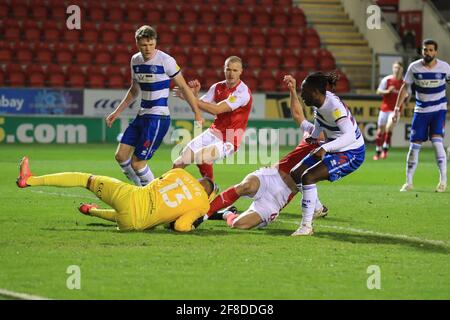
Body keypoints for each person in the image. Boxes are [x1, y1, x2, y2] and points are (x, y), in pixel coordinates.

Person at [195, 75, 330, 230]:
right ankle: (203, 215)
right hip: (271, 176)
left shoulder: (331, 147)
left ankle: (226, 214)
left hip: (281, 195)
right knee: (246, 186)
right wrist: (292, 90)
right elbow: (298, 115)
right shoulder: (311, 133)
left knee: (239, 225)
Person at [105, 25, 203, 187]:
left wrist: (196, 112)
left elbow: (184, 87)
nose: (148, 48)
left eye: (151, 44)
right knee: (121, 156)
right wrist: (117, 112)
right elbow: (134, 90)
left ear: (155, 43)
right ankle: (139, 189)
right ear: (137, 44)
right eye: (144, 45)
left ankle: (155, 195)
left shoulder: (166, 61)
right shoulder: (135, 60)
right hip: (142, 116)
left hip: (158, 118)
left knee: (137, 163)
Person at [16, 156, 214, 232]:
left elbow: (156, 184)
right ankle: (92, 211)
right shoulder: (202, 205)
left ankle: (30, 180)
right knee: (146, 218)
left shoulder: (179, 172)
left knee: (85, 179)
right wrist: (191, 228)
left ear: (199, 180)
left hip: (127, 196)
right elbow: (180, 226)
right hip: (133, 224)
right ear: (208, 194)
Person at [289, 72, 366, 236]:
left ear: (316, 92)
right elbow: (320, 120)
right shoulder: (319, 103)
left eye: (305, 91)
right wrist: (315, 136)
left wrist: (325, 148)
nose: (302, 95)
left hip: (351, 151)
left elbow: (350, 136)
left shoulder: (335, 107)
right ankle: (317, 208)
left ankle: (306, 227)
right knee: (296, 173)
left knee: (308, 177)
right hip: (333, 146)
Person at [172, 56, 252, 181]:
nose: (231, 73)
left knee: (202, 157)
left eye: (235, 70)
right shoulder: (217, 87)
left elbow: (216, 109)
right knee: (178, 164)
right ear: (224, 70)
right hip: (213, 132)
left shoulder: (242, 92)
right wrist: (193, 95)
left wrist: (189, 96)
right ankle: (168, 192)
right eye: (228, 69)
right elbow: (200, 105)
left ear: (241, 71)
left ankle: (211, 190)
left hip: (230, 139)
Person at [393, 39, 450, 192]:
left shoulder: (445, 67)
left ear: (436, 52)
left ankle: (443, 181)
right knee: (414, 146)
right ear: (422, 51)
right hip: (421, 111)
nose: (428, 53)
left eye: (431, 50)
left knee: (437, 142)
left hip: (438, 110)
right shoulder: (414, 67)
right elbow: (404, 89)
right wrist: (396, 109)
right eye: (426, 50)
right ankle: (409, 182)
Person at [373, 61, 405, 160]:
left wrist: (406, 98)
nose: (396, 70)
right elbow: (378, 91)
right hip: (384, 109)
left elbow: (407, 95)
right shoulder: (387, 80)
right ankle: (378, 151)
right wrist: (387, 91)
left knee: (388, 127)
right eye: (395, 67)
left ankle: (385, 150)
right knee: (380, 131)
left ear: (402, 69)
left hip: (395, 110)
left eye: (398, 68)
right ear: (393, 68)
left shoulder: (404, 82)